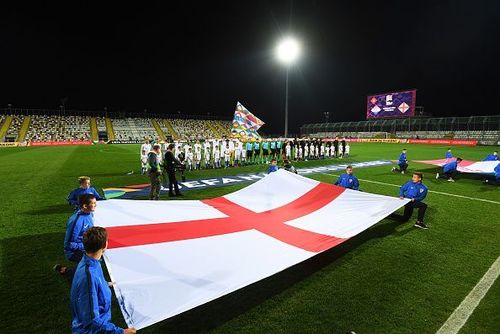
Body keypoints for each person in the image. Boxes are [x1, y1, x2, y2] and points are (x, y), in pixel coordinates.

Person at [70, 227, 137, 334]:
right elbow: (92, 322)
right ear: (105, 245)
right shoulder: (89, 276)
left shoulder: (91, 262)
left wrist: (106, 284)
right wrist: (121, 332)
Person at [53, 194, 96, 280]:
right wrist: (87, 246)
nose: (96, 205)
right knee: (89, 267)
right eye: (93, 203)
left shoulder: (89, 214)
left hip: (84, 246)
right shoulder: (77, 222)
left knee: (96, 259)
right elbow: (69, 244)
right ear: (84, 206)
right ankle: (66, 272)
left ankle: (64, 270)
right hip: (73, 252)